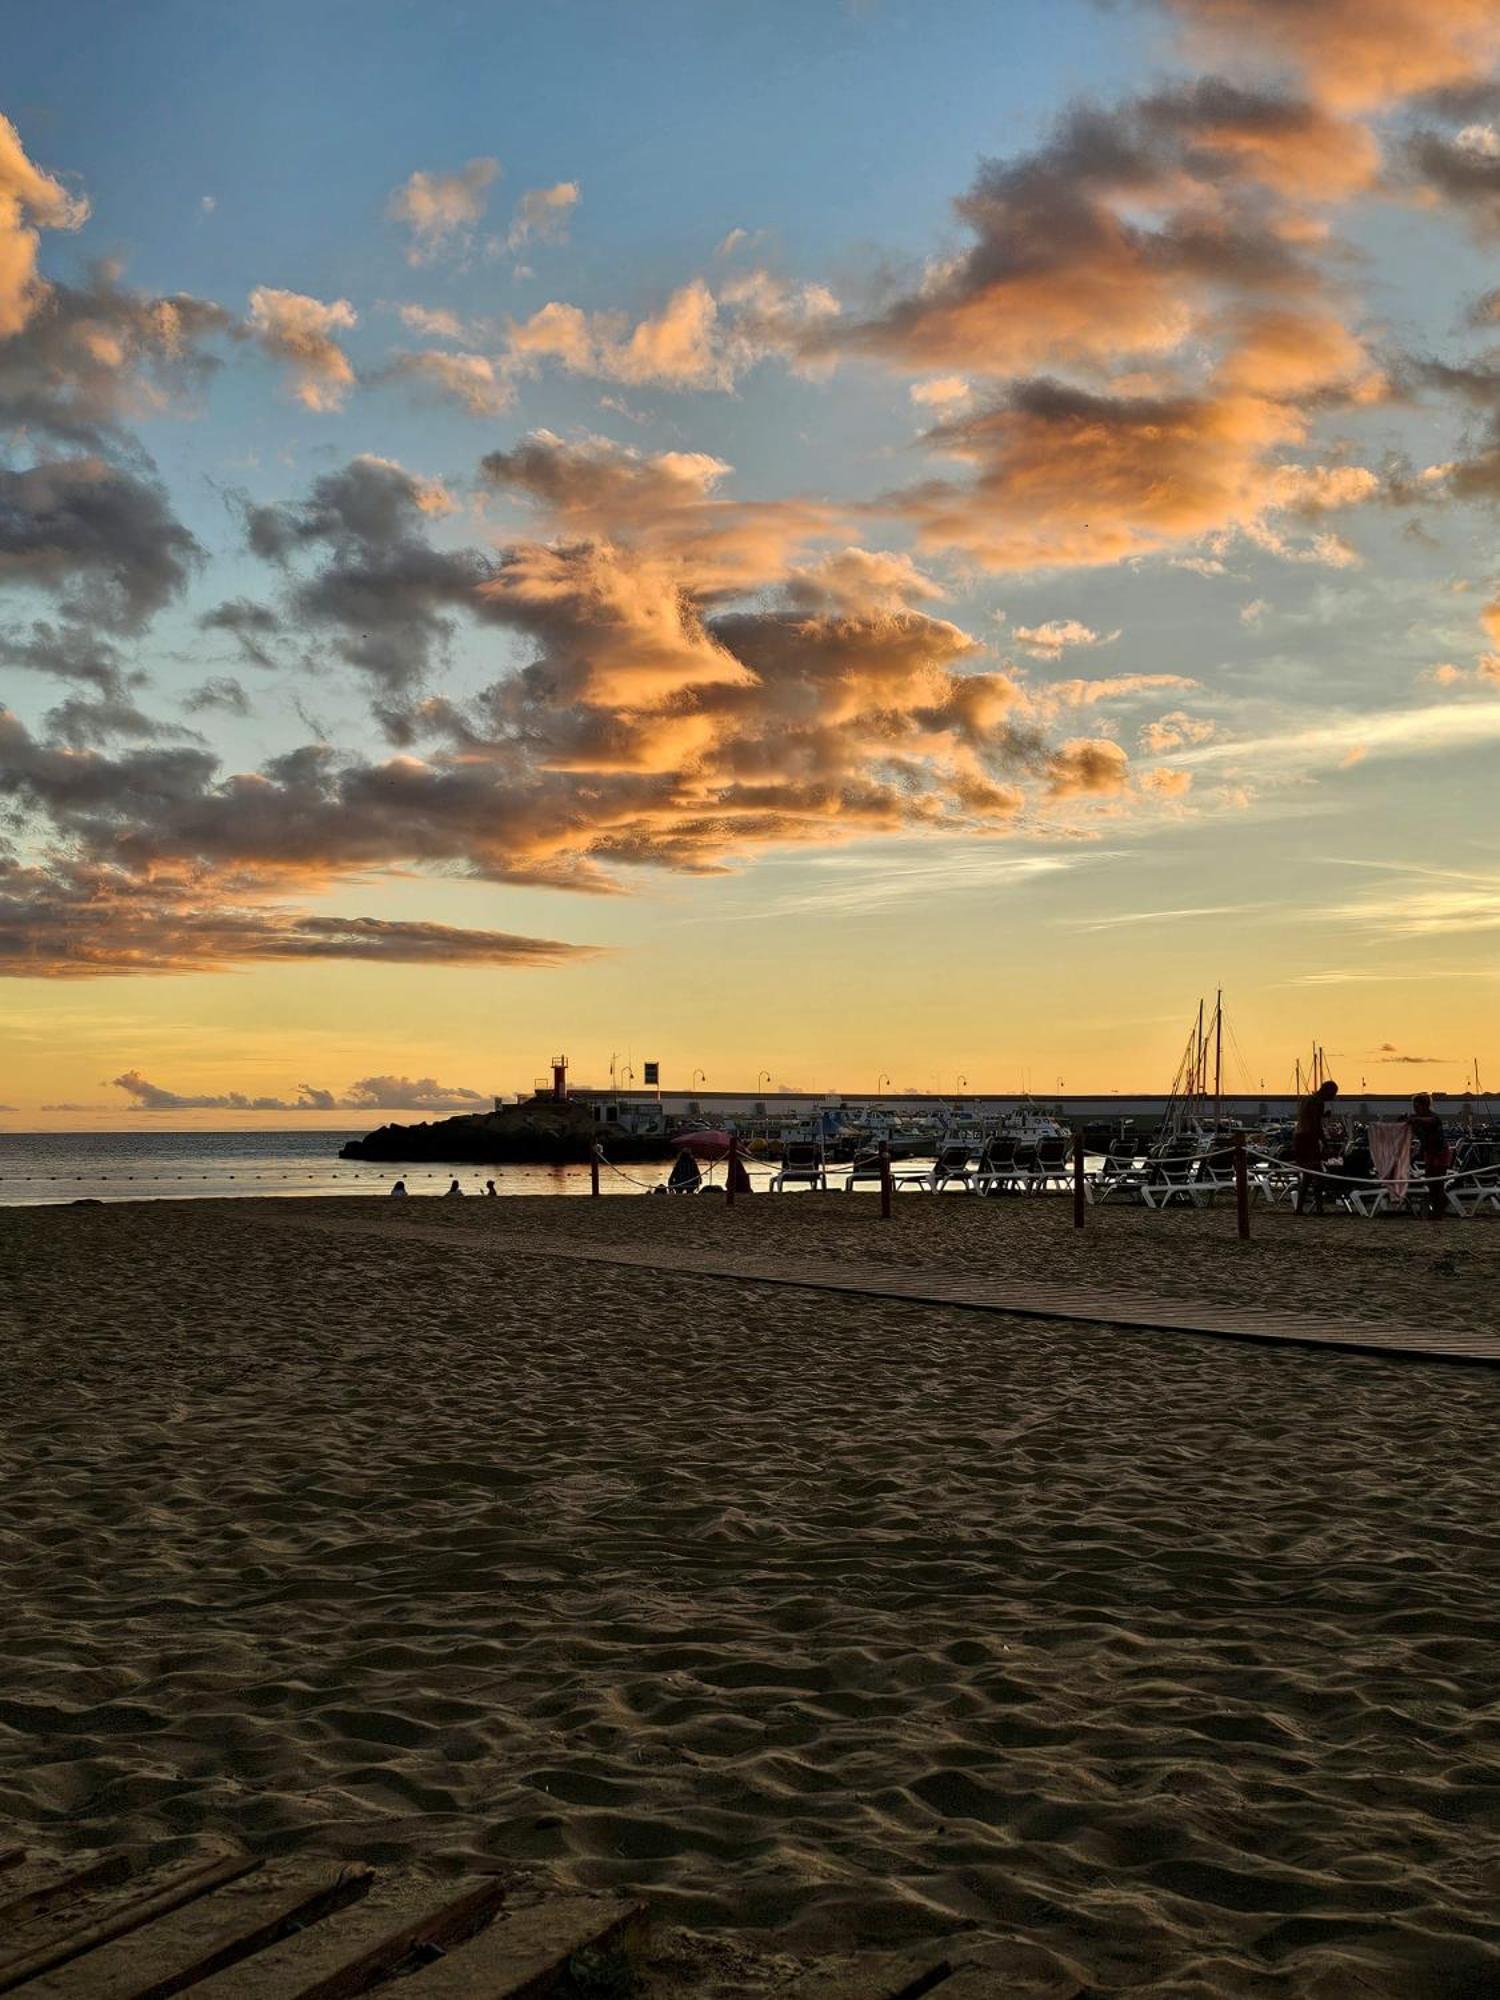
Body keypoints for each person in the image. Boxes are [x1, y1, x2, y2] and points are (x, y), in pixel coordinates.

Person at [1293, 1078, 1339, 1215]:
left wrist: (1323, 1116)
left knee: (1307, 1175)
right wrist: (1325, 1143)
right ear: (1327, 1091)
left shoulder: (1307, 1099)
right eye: (1333, 1094)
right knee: (1317, 1174)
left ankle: (1300, 1208)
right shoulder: (1318, 1102)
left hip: (1299, 1138)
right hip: (1308, 1139)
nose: (1333, 1097)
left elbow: (1309, 1117)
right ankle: (1319, 1208)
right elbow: (1315, 1125)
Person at [1409, 1093, 1450, 1222]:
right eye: (1414, 1107)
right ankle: (1437, 1208)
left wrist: (1415, 1120)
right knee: (1431, 1182)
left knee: (1438, 1182)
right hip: (1428, 1153)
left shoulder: (1433, 1118)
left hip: (1439, 1153)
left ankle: (1438, 1211)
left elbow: (1431, 1122)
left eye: (1418, 1106)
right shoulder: (1417, 1119)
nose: (1416, 1109)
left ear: (1425, 1106)